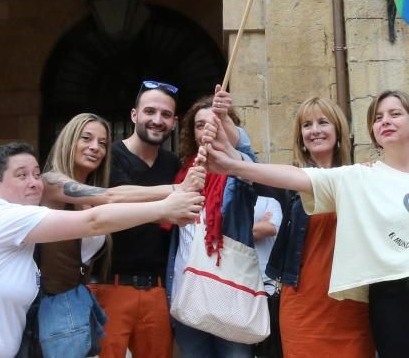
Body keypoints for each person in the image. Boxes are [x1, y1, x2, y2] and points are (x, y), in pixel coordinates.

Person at [204, 90, 409, 358]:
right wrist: (232, 154)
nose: (385, 120)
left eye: (395, 114)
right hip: (350, 299)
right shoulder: (350, 178)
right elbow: (276, 174)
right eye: (378, 117)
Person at [0, 142, 203, 358]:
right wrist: (165, 206)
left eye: (36, 174)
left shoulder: (22, 239)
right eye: (22, 176)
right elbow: (94, 220)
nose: (34, 183)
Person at [36, 113, 206, 358]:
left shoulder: (95, 194)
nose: (95, 147)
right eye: (86, 138)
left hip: (80, 299)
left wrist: (176, 211)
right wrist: (176, 190)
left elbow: (127, 209)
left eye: (103, 143)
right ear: (69, 140)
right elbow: (111, 197)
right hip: (56, 301)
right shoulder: (52, 181)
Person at [264, 97, 374, 358]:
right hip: (302, 305)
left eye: (323, 122)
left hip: (351, 303)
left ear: (338, 132)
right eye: (307, 125)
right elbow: (243, 162)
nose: (314, 130)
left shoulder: (362, 178)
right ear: (301, 138)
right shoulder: (290, 184)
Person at [89, 79, 186, 358]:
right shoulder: (110, 157)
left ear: (175, 122)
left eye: (166, 115)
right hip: (110, 284)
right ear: (134, 115)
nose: (157, 120)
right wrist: (172, 193)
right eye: (150, 112)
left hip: (157, 290)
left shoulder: (172, 164)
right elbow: (112, 196)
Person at [166, 94, 260, 358]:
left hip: (228, 290)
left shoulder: (239, 172)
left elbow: (252, 167)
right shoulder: (183, 174)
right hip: (186, 288)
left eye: (214, 122)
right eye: (199, 125)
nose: (207, 129)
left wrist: (228, 124)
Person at [253, 196, 282, 294]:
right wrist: (260, 223)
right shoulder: (224, 200)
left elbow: (270, 229)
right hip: (233, 278)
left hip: (266, 281)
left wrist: (229, 228)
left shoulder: (269, 202)